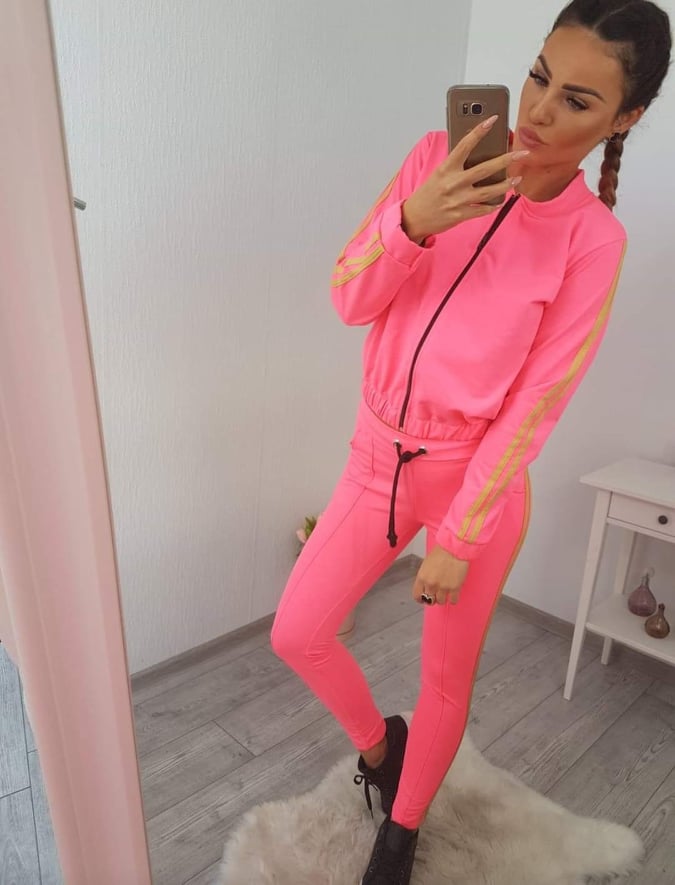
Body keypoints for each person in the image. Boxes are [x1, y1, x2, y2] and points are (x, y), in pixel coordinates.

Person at [271, 1, 672, 882]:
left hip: (474, 489)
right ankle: (381, 750)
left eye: (576, 100)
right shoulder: (436, 158)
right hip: (375, 459)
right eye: (537, 76)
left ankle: (403, 827)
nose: (537, 111)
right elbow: (348, 297)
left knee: (445, 678)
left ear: (626, 118)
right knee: (297, 631)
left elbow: (536, 403)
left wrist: (457, 536)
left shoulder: (592, 241)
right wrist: (412, 221)